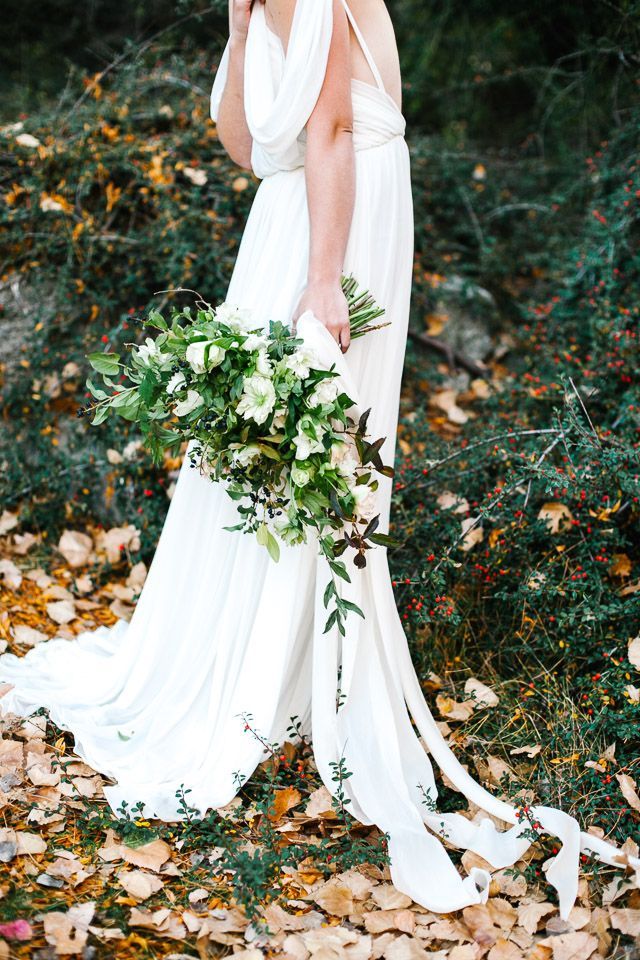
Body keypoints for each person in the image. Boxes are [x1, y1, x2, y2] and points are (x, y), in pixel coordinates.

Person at [0, 0, 636, 917]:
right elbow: (251, 147)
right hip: (287, 212)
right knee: (251, 445)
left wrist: (325, 278)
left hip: (345, 218)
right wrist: (231, 34)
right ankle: (253, 661)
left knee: (319, 445)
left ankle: (295, 676)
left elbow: (333, 129)